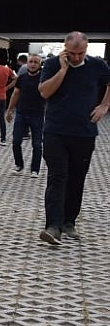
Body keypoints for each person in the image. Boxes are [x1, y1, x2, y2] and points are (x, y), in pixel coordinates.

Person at [37, 31, 110, 245]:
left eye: (80, 53)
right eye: (72, 53)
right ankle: (53, 226)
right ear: (65, 49)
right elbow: (44, 92)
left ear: (86, 50)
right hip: (55, 131)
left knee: (77, 178)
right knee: (58, 177)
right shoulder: (51, 64)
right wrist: (63, 69)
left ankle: (69, 221)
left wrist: (104, 106)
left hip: (84, 132)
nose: (76, 57)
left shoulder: (98, 65)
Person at [6, 53, 45, 178]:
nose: (33, 64)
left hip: (37, 114)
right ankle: (19, 165)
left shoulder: (43, 78)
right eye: (31, 61)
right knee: (16, 141)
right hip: (21, 113)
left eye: (36, 62)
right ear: (27, 63)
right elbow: (16, 94)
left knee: (37, 144)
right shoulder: (22, 78)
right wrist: (10, 109)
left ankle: (35, 169)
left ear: (40, 64)